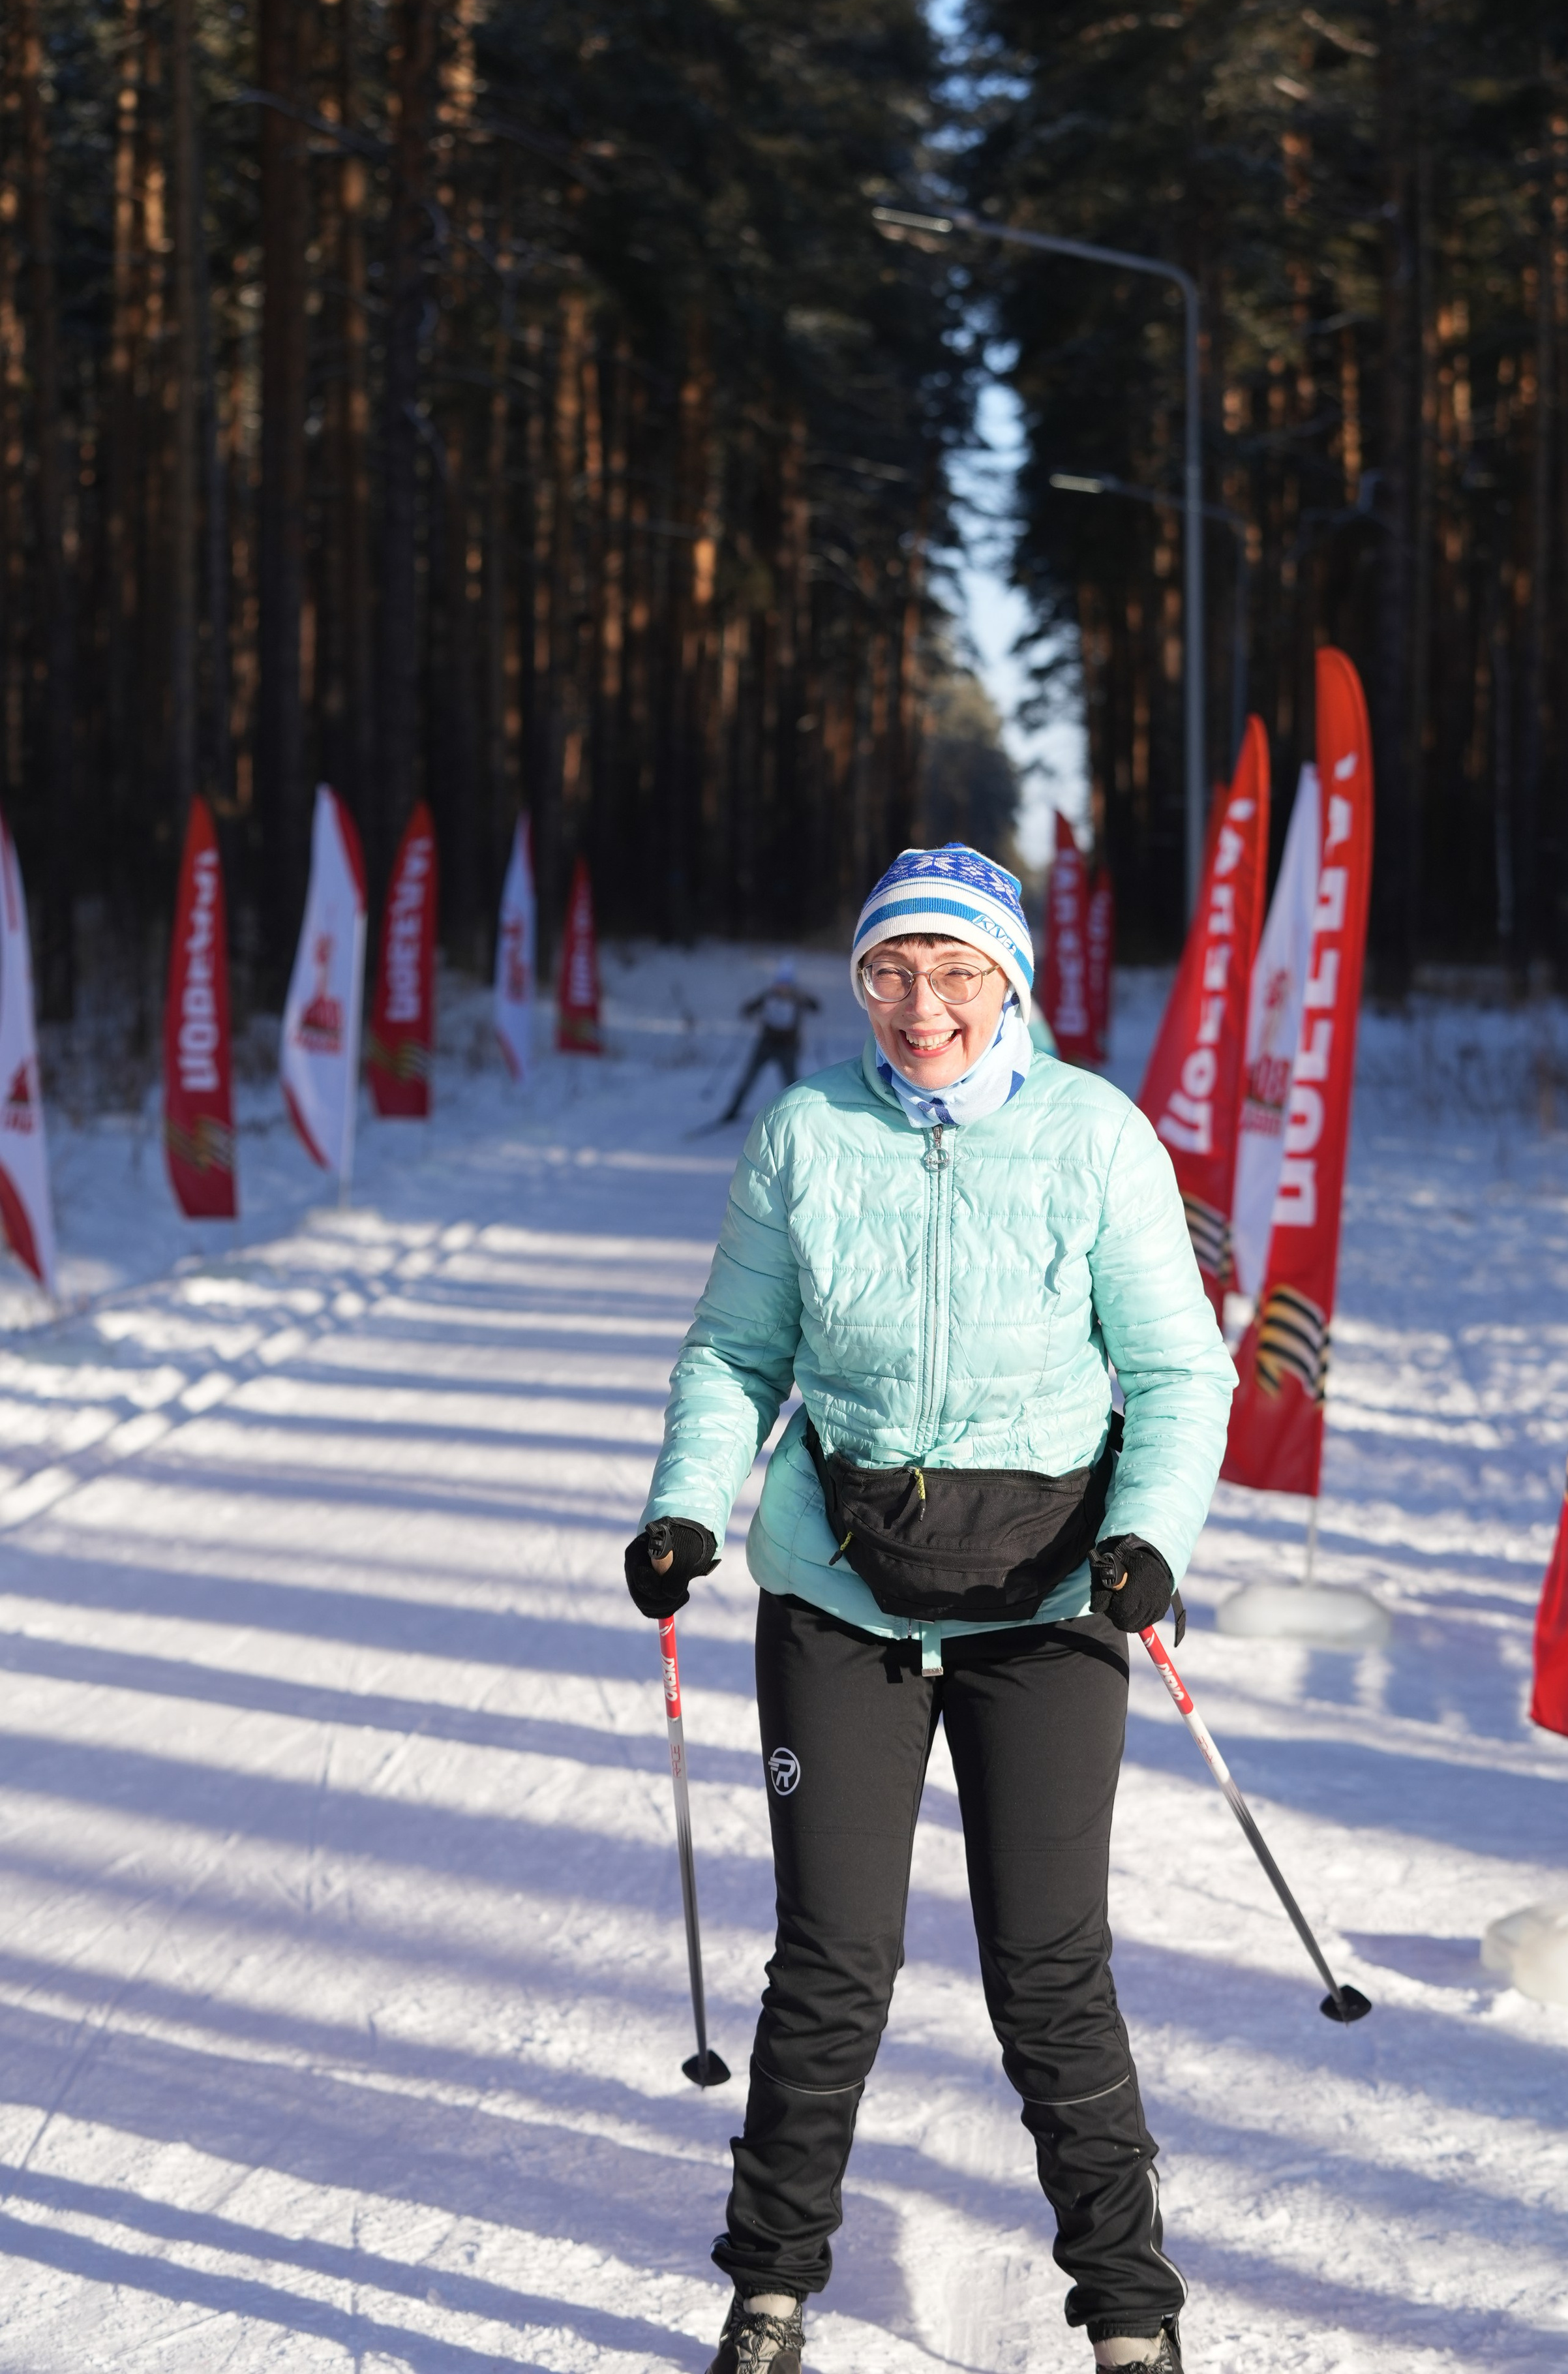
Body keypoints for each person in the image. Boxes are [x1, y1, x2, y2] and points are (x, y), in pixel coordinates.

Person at [626, 845, 1233, 2374]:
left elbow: (1176, 1370)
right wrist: (687, 1505)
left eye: (957, 972)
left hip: (1045, 1601)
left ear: (1009, 984)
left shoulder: (1095, 1135)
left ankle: (1130, 2312)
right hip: (841, 1592)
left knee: (1048, 1964)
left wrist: (1147, 1535)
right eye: (890, 971)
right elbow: (731, 1354)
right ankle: (767, 2293)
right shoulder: (806, 1131)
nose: (921, 1006)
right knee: (831, 1960)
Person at [720, 958, 821, 1120]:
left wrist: (806, 1000)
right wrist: (749, 1010)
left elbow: (816, 1007)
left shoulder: (797, 998)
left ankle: (797, 1113)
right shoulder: (769, 996)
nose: (782, 988)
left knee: (791, 1084)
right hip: (766, 1045)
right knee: (748, 1078)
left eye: (786, 984)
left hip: (787, 1048)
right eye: (780, 983)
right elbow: (751, 1007)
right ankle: (733, 1110)